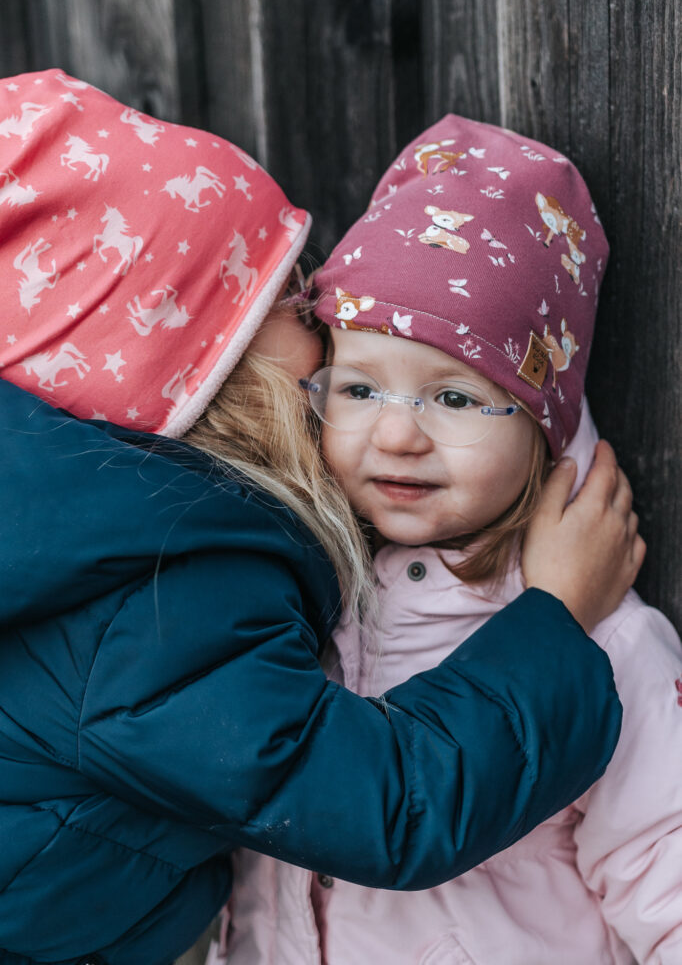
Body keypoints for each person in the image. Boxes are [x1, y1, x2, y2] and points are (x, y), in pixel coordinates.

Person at [0, 73, 641, 965]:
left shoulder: (74, 506)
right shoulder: (147, 595)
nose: (323, 325)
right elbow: (390, 803)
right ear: (203, 351)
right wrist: (559, 617)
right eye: (290, 299)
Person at [217, 116, 680, 965]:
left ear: (546, 423)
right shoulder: (297, 597)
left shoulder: (602, 646)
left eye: (457, 399)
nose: (396, 438)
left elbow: (668, 869)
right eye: (359, 389)